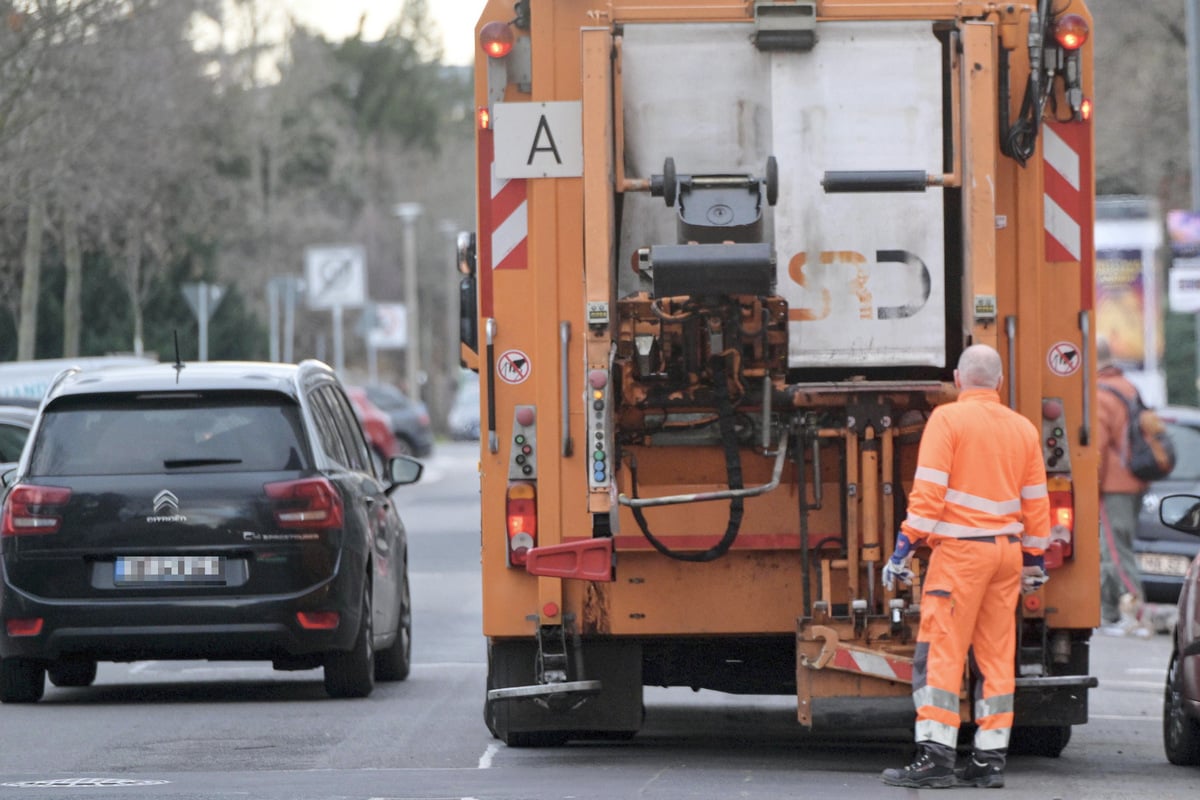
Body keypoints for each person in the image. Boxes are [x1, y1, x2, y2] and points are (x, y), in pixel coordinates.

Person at [880, 344, 1050, 789]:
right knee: (996, 658)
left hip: (960, 555)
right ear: (998, 382)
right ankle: (988, 761)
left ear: (958, 380)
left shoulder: (949, 420)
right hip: (1006, 555)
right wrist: (1034, 558)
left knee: (940, 653)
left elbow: (928, 494)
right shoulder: (1023, 429)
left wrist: (902, 549)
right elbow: (1036, 503)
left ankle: (936, 758)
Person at [1095, 335, 1150, 637]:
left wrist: (1092, 486)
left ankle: (1138, 615)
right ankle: (1111, 613)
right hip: (1134, 481)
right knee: (1110, 549)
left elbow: (1098, 449)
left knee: (1116, 552)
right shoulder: (1128, 387)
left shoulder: (1101, 393)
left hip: (1113, 484)